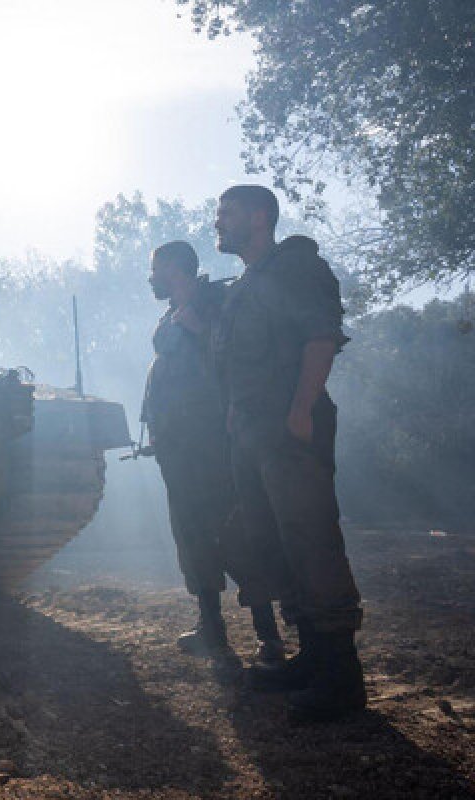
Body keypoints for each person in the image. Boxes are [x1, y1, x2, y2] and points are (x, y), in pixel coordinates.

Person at [212, 185, 365, 723]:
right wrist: (236, 411)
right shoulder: (245, 284)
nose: (217, 224)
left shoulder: (295, 266)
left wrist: (302, 408)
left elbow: (320, 337)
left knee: (311, 541)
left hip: (289, 427)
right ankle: (313, 658)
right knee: (271, 543)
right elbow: (239, 361)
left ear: (259, 216)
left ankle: (342, 677)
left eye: (225, 214)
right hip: (253, 432)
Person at [142, 241, 284, 664]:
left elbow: (242, 361)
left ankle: (268, 635)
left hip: (215, 445)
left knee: (235, 531)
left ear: (174, 268)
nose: (152, 277)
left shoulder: (220, 304)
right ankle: (212, 630)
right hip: (177, 449)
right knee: (191, 535)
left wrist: (203, 333)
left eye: (156, 268)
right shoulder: (168, 319)